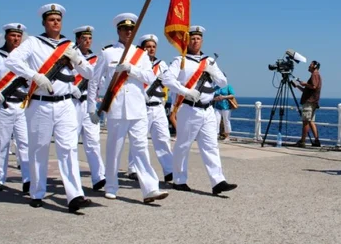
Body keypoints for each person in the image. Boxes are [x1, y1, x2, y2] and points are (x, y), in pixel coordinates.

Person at [5, 3, 93, 213]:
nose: (55, 23)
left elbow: (89, 73)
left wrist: (77, 58)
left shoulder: (69, 45)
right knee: (39, 149)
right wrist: (34, 76)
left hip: (65, 104)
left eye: (58, 20)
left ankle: (75, 195)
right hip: (40, 103)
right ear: (44, 22)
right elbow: (12, 60)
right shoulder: (33, 43)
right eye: (51, 19)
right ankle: (37, 192)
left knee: (69, 149)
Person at [85, 13, 169, 203]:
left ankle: (150, 189)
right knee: (114, 149)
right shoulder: (107, 53)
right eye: (125, 29)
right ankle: (111, 185)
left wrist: (131, 69)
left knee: (141, 149)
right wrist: (92, 107)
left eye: (131, 29)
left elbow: (149, 77)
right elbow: (94, 80)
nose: (128, 32)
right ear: (118, 31)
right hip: (116, 107)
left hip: (138, 108)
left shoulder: (141, 55)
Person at [161, 25, 237, 195]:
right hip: (189, 109)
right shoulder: (180, 60)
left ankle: (218, 181)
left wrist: (213, 73)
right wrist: (186, 91)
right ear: (187, 41)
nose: (195, 41)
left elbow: (224, 82)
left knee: (211, 146)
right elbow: (166, 79)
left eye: (198, 38)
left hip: (208, 109)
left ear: (202, 41)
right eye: (192, 38)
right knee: (183, 146)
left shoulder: (209, 61)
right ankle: (179, 180)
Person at [0, 23, 30, 194]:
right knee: (1, 144)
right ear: (6, 36)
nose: (16, 39)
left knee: (25, 143)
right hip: (2, 105)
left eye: (19, 36)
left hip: (22, 105)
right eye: (13, 36)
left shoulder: (26, 58)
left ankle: (28, 179)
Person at [126, 33, 174, 183]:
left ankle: (169, 170)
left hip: (158, 106)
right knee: (139, 140)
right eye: (148, 46)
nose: (151, 49)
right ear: (142, 48)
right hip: (142, 106)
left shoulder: (162, 64)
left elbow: (169, 80)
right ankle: (133, 168)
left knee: (163, 138)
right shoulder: (136, 63)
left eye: (153, 47)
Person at [71, 25, 106, 192]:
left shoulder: (96, 58)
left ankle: (98, 177)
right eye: (84, 38)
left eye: (90, 38)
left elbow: (102, 80)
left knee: (93, 141)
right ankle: (72, 179)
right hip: (72, 102)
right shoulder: (69, 55)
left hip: (89, 102)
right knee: (70, 142)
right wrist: (72, 88)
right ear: (78, 39)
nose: (87, 41)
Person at [292, 60, 322, 147]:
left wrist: (305, 83)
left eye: (310, 65)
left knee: (305, 122)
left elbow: (314, 86)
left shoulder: (315, 74)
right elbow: (307, 90)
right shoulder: (315, 75)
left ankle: (303, 141)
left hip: (309, 102)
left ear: (315, 66)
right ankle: (316, 140)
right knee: (311, 121)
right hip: (312, 102)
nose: (309, 66)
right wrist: (298, 85)